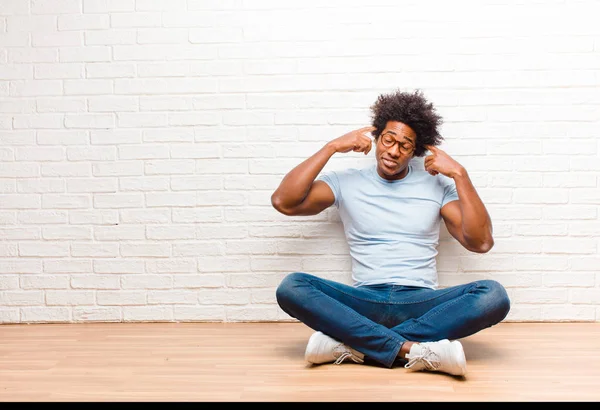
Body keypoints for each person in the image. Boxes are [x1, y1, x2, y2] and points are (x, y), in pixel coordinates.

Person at [271, 89, 510, 377]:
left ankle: (355, 344)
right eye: (389, 140)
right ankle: (413, 350)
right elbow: (284, 201)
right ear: (377, 138)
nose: (394, 151)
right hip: (363, 301)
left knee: (493, 295)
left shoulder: (436, 186)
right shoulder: (345, 182)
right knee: (291, 287)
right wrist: (332, 147)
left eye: (405, 145)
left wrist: (460, 174)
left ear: (416, 151)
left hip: (420, 303)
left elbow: (481, 242)